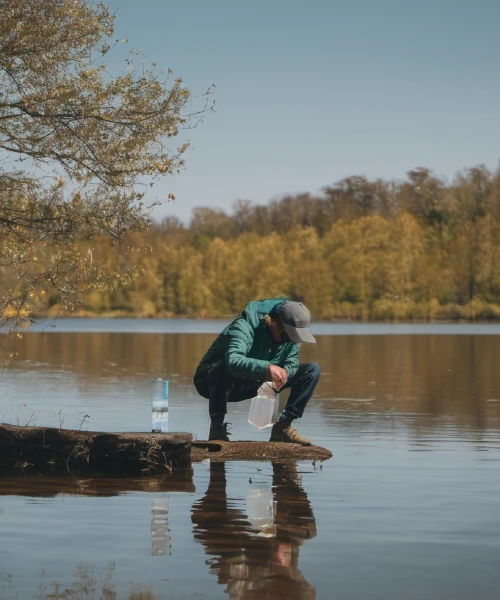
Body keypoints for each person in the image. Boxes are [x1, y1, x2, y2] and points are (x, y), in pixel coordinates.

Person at [193, 298, 320, 446]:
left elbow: (292, 362)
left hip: (254, 382)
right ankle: (216, 429)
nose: (291, 340)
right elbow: (233, 360)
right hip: (209, 382)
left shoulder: (292, 337)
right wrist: (267, 368)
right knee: (222, 366)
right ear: (274, 323)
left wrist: (286, 372)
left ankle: (283, 427)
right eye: (289, 335)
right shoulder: (244, 325)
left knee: (312, 370)